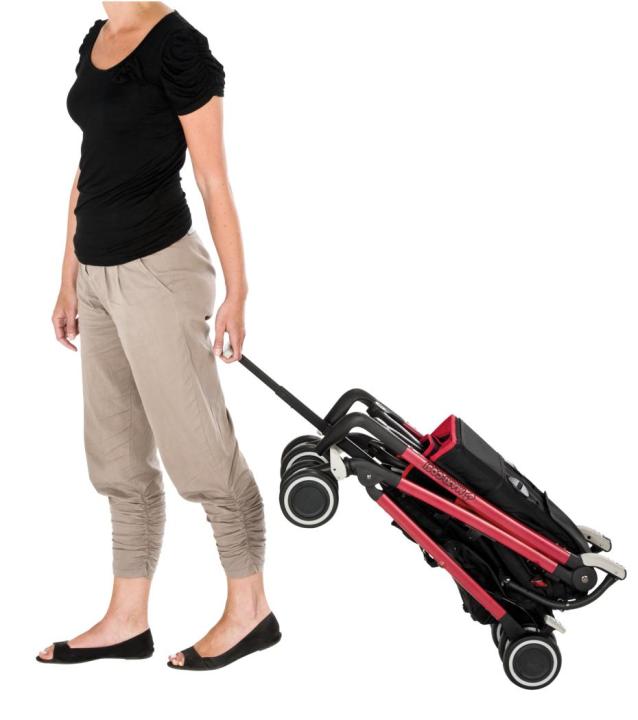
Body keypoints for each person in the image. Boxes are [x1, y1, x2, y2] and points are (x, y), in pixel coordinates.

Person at [36, 2, 281, 671]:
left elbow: (212, 176)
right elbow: (89, 167)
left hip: (158, 275)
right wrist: (68, 278)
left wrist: (237, 292)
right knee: (117, 459)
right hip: (97, 276)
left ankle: (250, 609)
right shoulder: (98, 37)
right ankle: (126, 620)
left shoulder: (178, 47)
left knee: (202, 453)